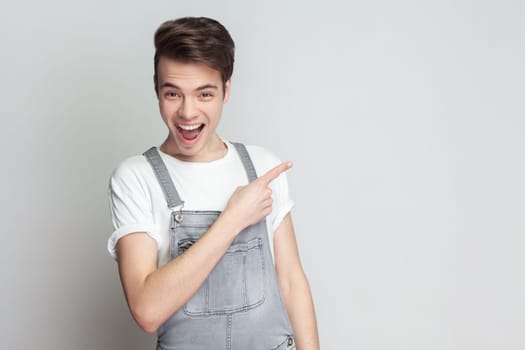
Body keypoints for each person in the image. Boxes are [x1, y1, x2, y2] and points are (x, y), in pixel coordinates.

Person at [108, 17, 319, 350]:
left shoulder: (261, 167)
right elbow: (147, 310)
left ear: (227, 90)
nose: (188, 113)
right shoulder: (136, 177)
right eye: (173, 94)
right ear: (156, 90)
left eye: (204, 94)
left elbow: (292, 282)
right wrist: (233, 219)